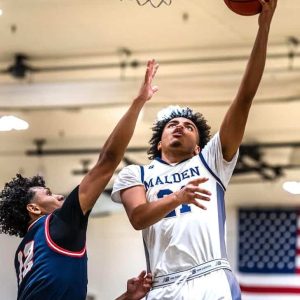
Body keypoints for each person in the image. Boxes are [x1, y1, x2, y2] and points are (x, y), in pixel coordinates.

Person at [112, 1, 277, 299]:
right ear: (159, 142)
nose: (179, 126)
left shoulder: (211, 160)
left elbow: (245, 97)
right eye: (171, 124)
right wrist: (178, 196)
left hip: (210, 276)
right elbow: (138, 218)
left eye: (188, 126)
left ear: (199, 144)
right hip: (162, 285)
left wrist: (264, 27)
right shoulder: (136, 172)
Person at [0, 59, 159, 300]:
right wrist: (138, 102)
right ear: (33, 208)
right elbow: (108, 160)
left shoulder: (25, 252)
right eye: (49, 193)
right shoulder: (56, 225)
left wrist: (127, 297)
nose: (60, 196)